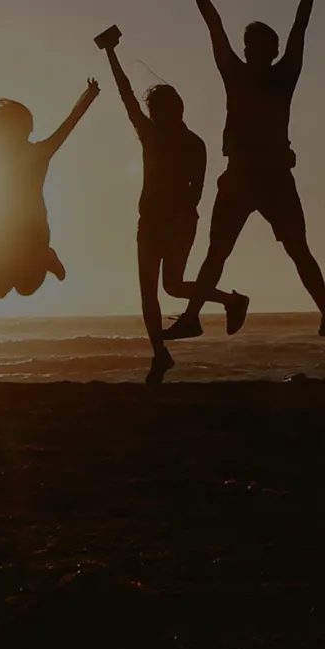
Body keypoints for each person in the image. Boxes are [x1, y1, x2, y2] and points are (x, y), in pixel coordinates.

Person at [174, 0, 325, 338]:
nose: (255, 51)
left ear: (271, 51)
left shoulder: (284, 75)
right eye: (250, 45)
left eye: (262, 46)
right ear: (246, 50)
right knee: (216, 253)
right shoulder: (234, 73)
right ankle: (191, 318)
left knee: (299, 250)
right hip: (238, 175)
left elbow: (299, 30)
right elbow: (214, 27)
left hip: (274, 178)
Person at [98, 26, 246, 382]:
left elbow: (197, 191)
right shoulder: (149, 135)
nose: (165, 114)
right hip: (148, 222)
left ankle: (231, 301)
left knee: (173, 286)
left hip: (180, 222)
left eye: (170, 108)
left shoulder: (195, 144)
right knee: (151, 291)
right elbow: (125, 95)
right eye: (159, 110)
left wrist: (181, 220)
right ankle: (160, 356)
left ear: (180, 108)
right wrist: (110, 53)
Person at [0, 61, 97, 299]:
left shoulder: (41, 151)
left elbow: (69, 123)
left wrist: (89, 96)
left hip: (33, 229)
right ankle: (39, 260)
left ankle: (46, 257)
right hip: (5, 226)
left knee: (25, 288)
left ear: (24, 128)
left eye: (5, 125)